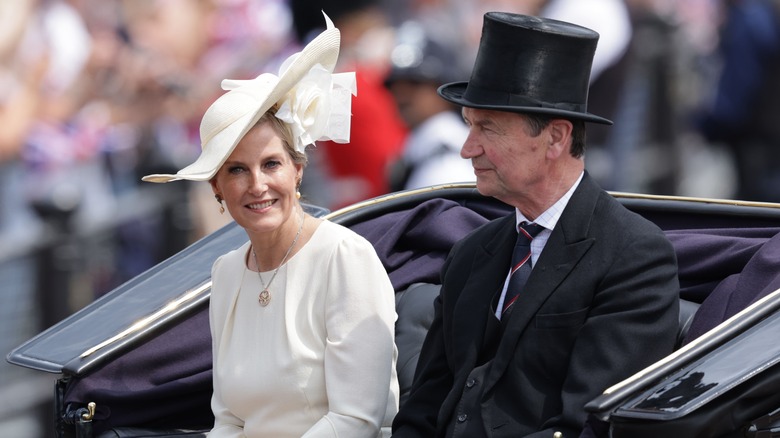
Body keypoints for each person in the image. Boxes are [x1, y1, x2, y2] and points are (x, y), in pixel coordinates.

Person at [391, 12, 680, 438]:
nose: (468, 149)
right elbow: (422, 409)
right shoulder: (470, 253)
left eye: (487, 128)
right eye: (469, 125)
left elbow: (594, 425)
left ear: (556, 138)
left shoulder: (634, 257)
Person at [143, 13, 399, 437]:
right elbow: (228, 420)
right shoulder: (226, 272)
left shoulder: (345, 257)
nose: (257, 185)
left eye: (271, 164)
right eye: (238, 170)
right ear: (218, 189)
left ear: (298, 170)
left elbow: (357, 419)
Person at [384, 20, 474, 191]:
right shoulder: (421, 145)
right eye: (394, 84)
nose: (401, 94)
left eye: (414, 83)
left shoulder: (448, 163)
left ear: (445, 87)